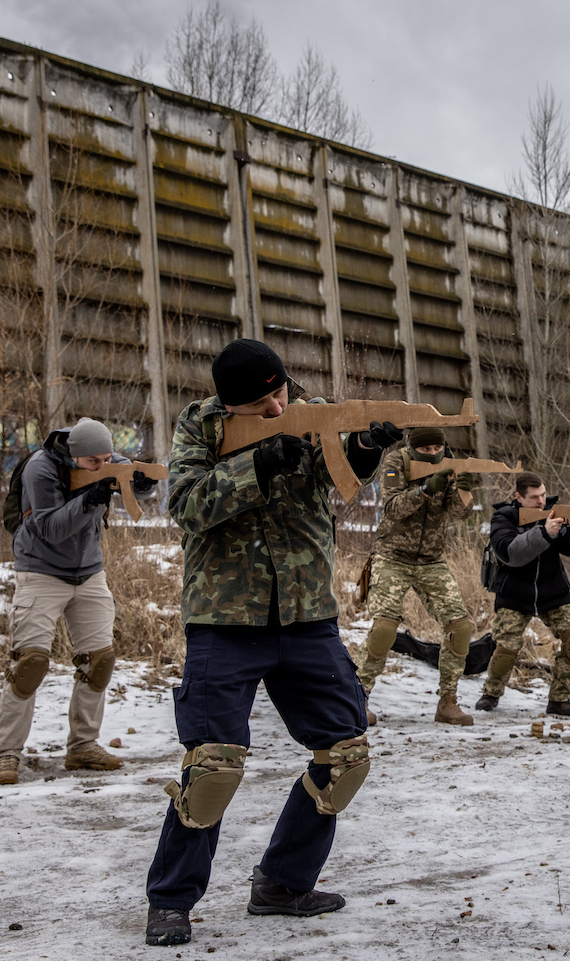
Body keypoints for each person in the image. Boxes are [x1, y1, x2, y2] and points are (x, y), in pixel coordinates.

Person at [143, 339, 396, 947]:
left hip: (307, 614)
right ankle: (171, 902)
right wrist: (256, 464)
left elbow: (338, 485)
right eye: (263, 404)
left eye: (282, 392)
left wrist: (363, 448)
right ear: (233, 405)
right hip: (225, 618)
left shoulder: (313, 415)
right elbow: (185, 503)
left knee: (346, 755)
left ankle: (283, 883)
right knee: (213, 768)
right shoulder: (199, 427)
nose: (280, 408)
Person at [0, 418, 151, 786]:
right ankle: (7, 755)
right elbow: (51, 529)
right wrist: (90, 498)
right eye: (94, 462)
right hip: (41, 571)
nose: (101, 465)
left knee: (100, 661)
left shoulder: (102, 459)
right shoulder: (40, 469)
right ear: (75, 456)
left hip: (89, 572)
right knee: (28, 665)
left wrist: (141, 485)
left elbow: (133, 483)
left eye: (106, 458)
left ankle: (82, 746)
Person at [356, 427, 478, 726]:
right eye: (425, 449)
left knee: (460, 627)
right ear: (413, 448)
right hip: (391, 557)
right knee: (384, 628)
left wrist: (463, 490)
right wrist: (424, 490)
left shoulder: (448, 463)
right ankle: (356, 699)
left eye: (438, 447)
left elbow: (459, 515)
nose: (433, 453)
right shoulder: (395, 462)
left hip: (431, 561)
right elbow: (393, 508)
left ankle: (448, 701)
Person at [476, 472, 570, 716]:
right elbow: (510, 553)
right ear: (518, 497)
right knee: (506, 646)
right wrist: (544, 532)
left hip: (553, 592)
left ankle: (559, 699)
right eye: (534, 498)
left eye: (543, 495)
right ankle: (491, 693)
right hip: (514, 594)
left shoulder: (553, 512)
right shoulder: (504, 517)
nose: (541, 501)